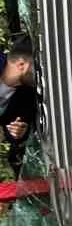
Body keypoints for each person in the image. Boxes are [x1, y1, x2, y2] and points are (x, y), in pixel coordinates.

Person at [1, 36, 39, 175]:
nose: (40, 73)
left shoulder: (28, 95)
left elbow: (18, 125)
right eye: (36, 66)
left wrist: (18, 133)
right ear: (21, 65)